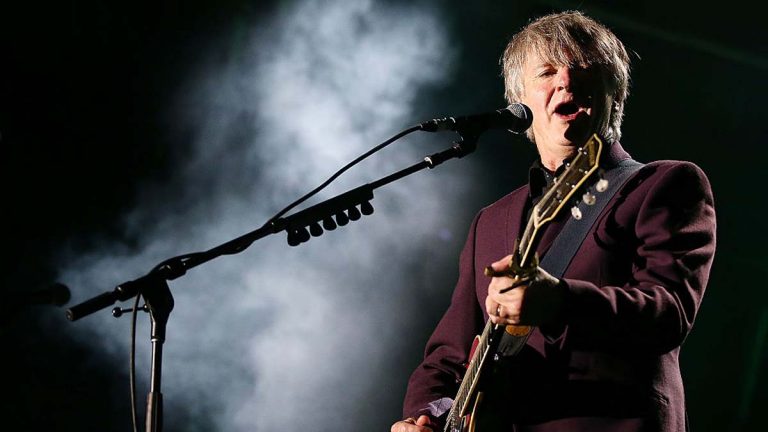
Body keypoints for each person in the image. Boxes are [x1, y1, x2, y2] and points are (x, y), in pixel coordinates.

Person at [391, 10, 716, 432]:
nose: (565, 80)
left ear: (614, 92)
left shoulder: (663, 185)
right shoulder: (491, 221)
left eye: (583, 68)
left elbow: (668, 313)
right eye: (546, 72)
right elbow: (448, 355)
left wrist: (560, 300)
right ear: (520, 102)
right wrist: (424, 415)